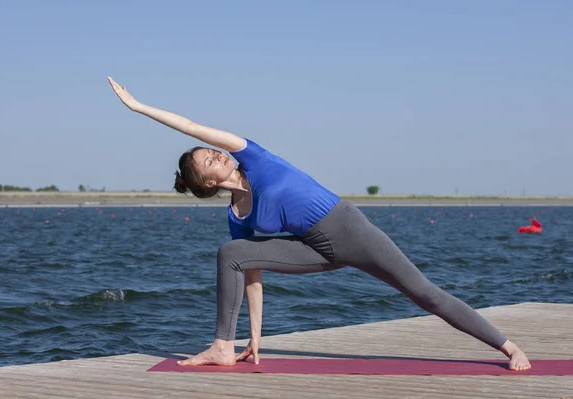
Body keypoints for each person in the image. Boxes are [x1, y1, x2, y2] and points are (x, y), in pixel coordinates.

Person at [107, 77, 532, 371]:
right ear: (209, 183)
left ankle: (507, 345)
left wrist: (138, 107)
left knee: (425, 294)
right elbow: (250, 274)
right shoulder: (238, 216)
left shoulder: (253, 155)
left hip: (351, 231)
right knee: (231, 253)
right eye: (207, 161)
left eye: (211, 151)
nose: (215, 154)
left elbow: (191, 125)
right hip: (314, 249)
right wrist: (256, 337)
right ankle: (223, 345)